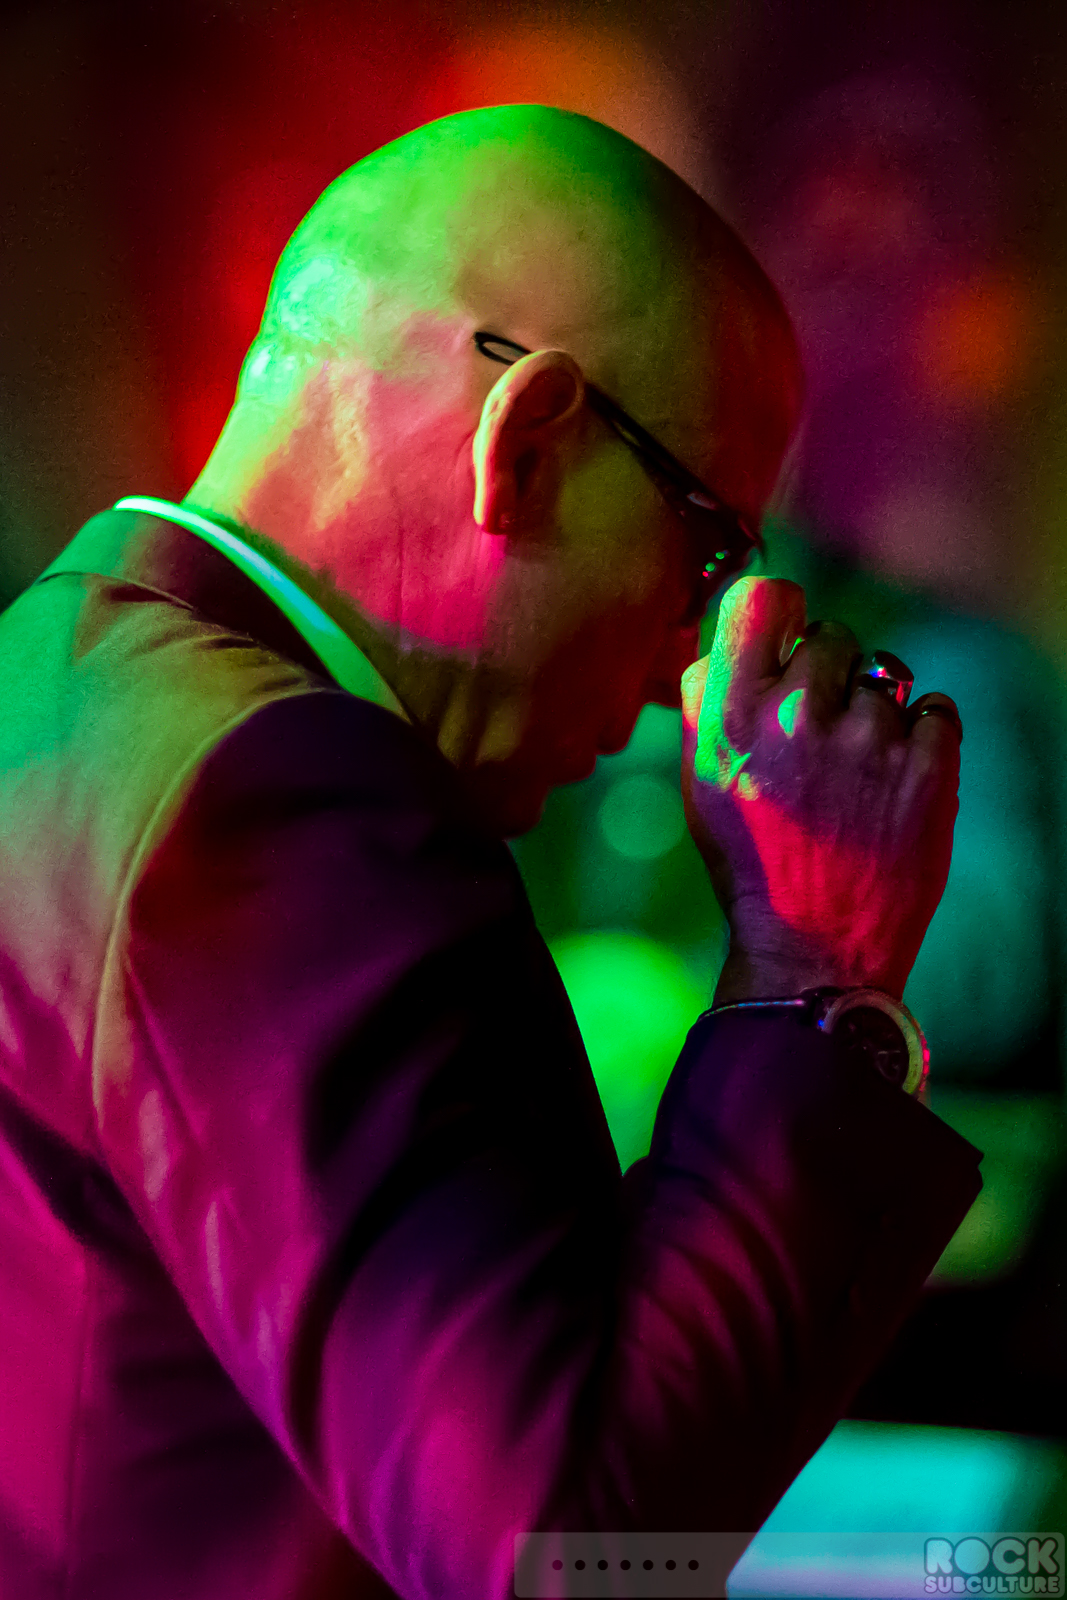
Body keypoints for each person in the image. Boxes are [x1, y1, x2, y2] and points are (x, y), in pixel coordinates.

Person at [0, 105, 978, 1600]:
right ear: (524, 446)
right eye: (708, 554)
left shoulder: (51, 675)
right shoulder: (285, 794)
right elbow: (571, 1554)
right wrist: (814, 969)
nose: (669, 678)